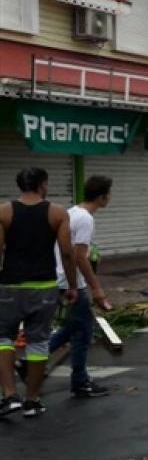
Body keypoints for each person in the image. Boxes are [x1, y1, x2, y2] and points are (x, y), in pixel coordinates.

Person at [0, 167, 78, 418]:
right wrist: (73, 285)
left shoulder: (4, 211)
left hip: (10, 285)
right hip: (44, 286)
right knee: (39, 341)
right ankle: (32, 400)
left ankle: (9, 395)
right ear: (42, 185)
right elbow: (67, 252)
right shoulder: (56, 212)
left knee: (3, 338)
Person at [50, 175, 114, 399]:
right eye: (109, 193)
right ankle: (80, 382)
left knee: (73, 327)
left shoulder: (72, 212)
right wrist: (96, 288)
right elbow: (79, 256)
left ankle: (30, 362)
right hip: (72, 282)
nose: (110, 197)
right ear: (102, 196)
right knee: (83, 331)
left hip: (60, 278)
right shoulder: (85, 218)